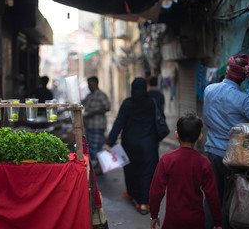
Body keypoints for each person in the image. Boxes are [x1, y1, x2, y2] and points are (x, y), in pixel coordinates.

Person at [203, 54, 249, 228]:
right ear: (243, 77)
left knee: (212, 196)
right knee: (231, 199)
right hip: (234, 157)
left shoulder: (209, 90)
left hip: (211, 152)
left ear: (228, 70)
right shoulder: (244, 100)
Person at [149, 113, 223, 229]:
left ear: (177, 135)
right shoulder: (204, 162)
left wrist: (154, 215)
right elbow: (212, 196)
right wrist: (218, 222)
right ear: (199, 137)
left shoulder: (167, 160)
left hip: (173, 220)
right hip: (196, 220)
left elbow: (156, 191)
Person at [105, 77, 158, 215]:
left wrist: (110, 142)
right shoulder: (151, 102)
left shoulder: (127, 104)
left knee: (131, 171)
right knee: (147, 173)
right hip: (148, 144)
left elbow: (118, 124)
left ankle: (132, 194)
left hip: (130, 144)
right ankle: (144, 203)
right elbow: (159, 121)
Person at [82, 76, 111, 165]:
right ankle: (94, 166)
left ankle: (98, 166)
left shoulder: (101, 95)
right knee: (90, 147)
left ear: (96, 84)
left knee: (97, 147)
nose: (89, 87)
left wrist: (93, 112)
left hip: (98, 126)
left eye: (91, 84)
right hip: (89, 126)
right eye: (88, 85)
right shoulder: (89, 96)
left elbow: (107, 107)